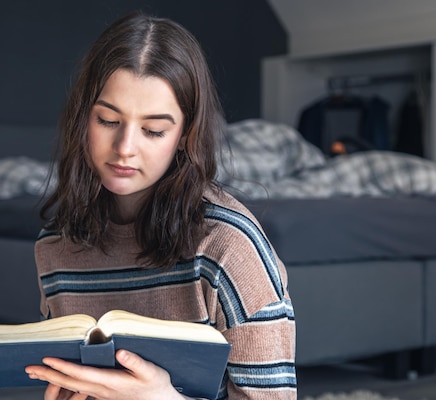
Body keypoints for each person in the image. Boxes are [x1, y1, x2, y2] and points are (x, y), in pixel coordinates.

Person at [24, 11, 296, 400]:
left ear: (184, 135)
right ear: (82, 118)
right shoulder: (56, 245)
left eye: (153, 130)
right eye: (107, 120)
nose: (125, 149)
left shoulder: (229, 247)